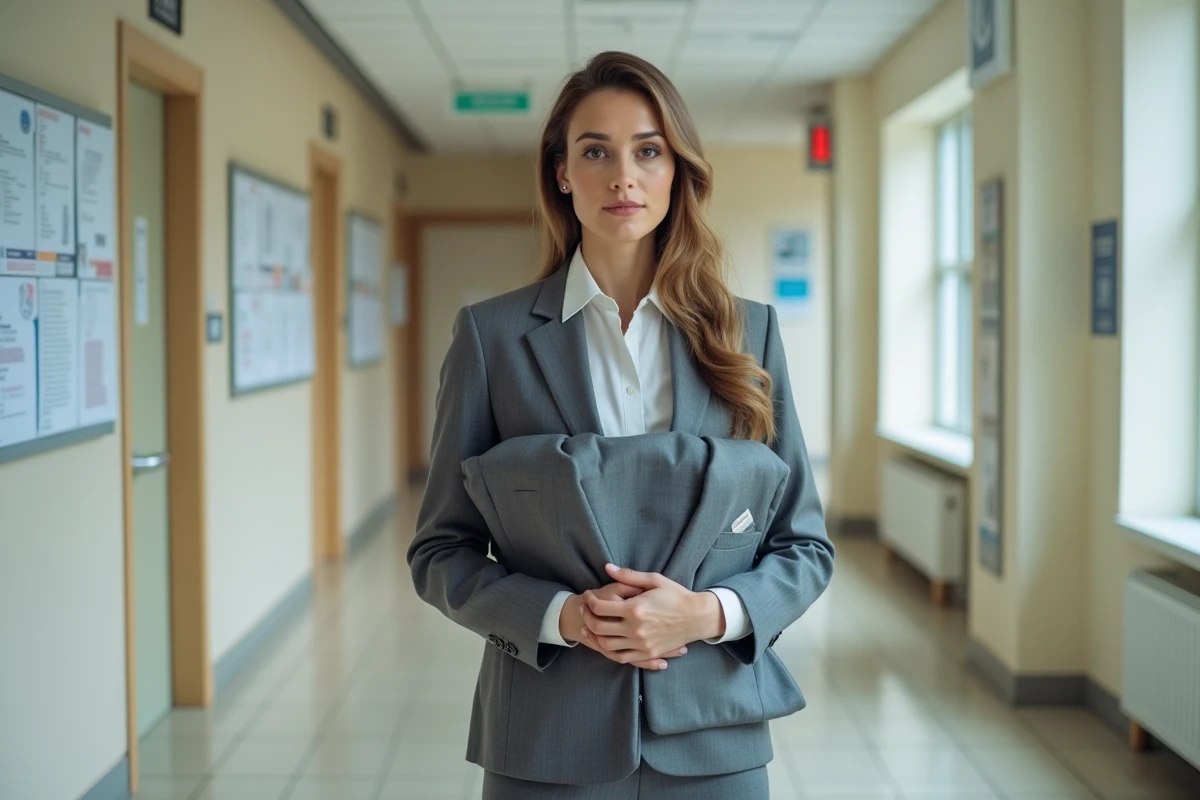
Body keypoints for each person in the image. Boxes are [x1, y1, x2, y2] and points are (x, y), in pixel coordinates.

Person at [407, 50, 835, 800]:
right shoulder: (491, 338)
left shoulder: (749, 335)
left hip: (714, 738)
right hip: (545, 736)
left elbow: (805, 547)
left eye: (648, 151)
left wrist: (707, 614)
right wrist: (561, 617)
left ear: (678, 172)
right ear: (562, 172)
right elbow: (440, 550)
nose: (622, 176)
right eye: (595, 151)